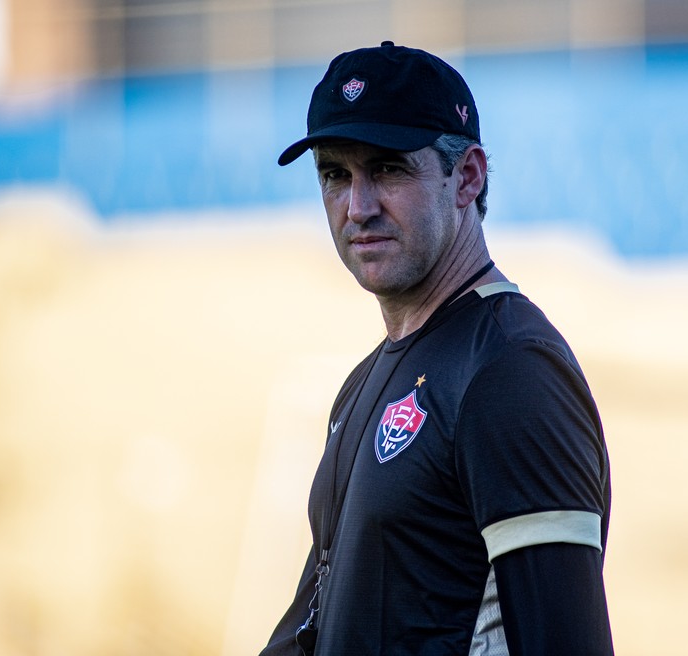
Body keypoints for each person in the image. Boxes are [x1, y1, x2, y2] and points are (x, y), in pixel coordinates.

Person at [260, 41, 614, 656]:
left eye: (389, 170)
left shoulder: (510, 371)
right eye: (335, 175)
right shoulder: (363, 381)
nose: (358, 207)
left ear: (467, 177)